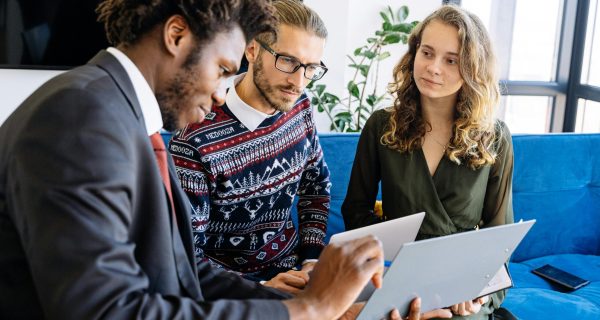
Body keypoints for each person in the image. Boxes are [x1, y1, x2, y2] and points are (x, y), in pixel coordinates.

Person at [0, 0, 449, 319]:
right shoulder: (79, 118)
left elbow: (182, 271)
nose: (221, 92)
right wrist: (310, 310)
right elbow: (107, 310)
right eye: (221, 69)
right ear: (177, 36)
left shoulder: (114, 112)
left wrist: (327, 309)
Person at [341, 5, 514, 320]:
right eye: (427, 53)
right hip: (400, 282)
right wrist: (394, 270)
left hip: (462, 293)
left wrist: (478, 292)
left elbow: (498, 236)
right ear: (414, 54)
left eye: (451, 60)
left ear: (473, 68)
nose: (434, 68)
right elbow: (355, 212)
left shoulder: (495, 137)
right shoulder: (382, 126)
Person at [170, 0, 330, 294]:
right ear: (253, 49)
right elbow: (186, 254)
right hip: (235, 294)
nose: (299, 81)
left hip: (297, 276)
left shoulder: (300, 106)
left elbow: (316, 186)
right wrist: (262, 287)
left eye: (310, 68)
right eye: (287, 61)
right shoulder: (195, 140)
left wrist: (311, 260)